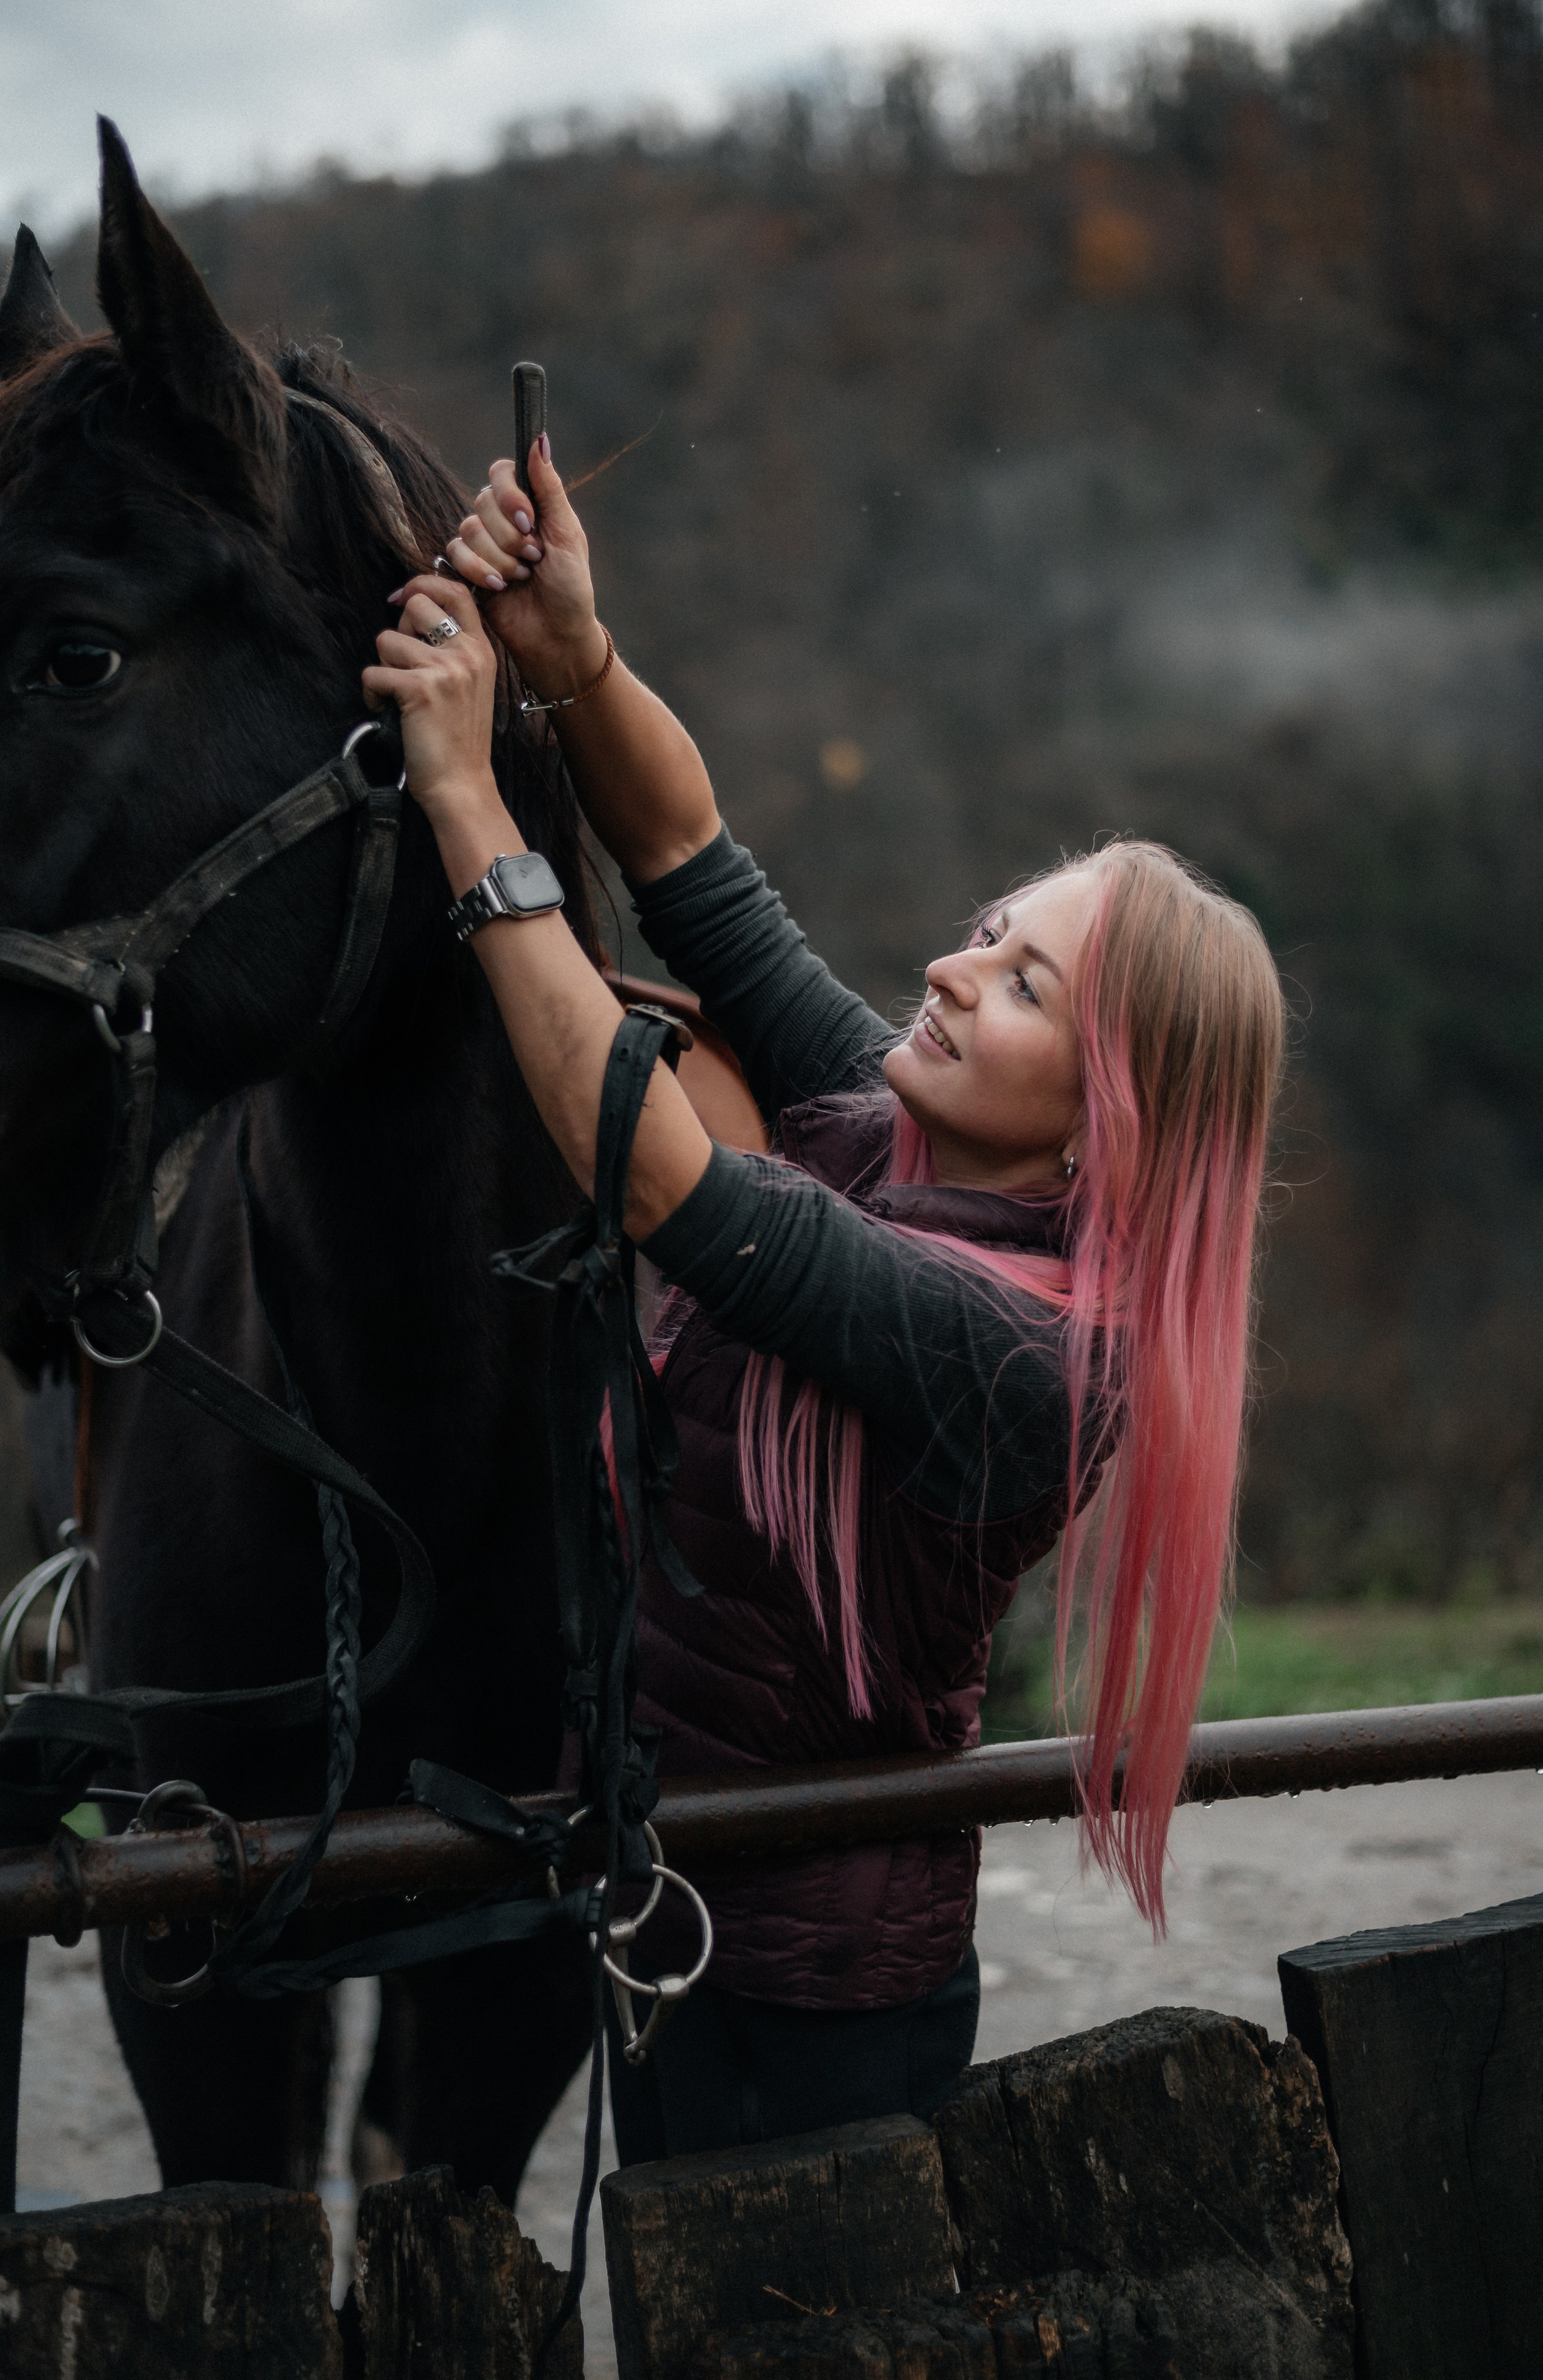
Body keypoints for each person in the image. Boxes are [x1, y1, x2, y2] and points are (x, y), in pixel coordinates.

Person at [365, 435, 1286, 2164]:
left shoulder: (1027, 1357)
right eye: (990, 930)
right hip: (692, 1932)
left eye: (1024, 986)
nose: (951, 968)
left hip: (810, 2018)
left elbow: (663, 1181)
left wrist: (472, 806)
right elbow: (696, 864)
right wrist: (577, 657)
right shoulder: (882, 1129)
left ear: (1109, 1114)